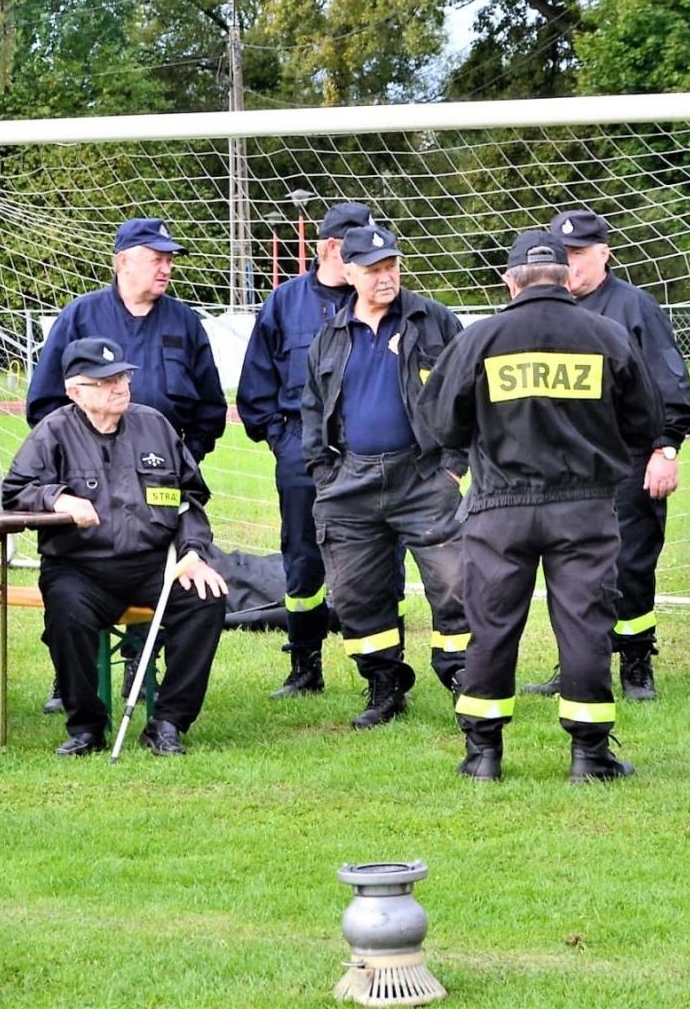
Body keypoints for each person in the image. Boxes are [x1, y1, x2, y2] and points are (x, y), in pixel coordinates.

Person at [419, 230, 661, 781]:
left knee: (492, 625)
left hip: (500, 507)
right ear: (566, 277)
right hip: (585, 506)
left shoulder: (481, 338)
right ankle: (589, 757)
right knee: (584, 626)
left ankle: (483, 754)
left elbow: (440, 421)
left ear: (511, 280)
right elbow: (644, 420)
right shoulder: (608, 335)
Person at [25, 217, 227, 712]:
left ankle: (146, 668)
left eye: (169, 259)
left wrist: (182, 459)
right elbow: (45, 401)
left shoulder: (184, 322)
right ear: (122, 263)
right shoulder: (80, 316)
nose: (166, 267)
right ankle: (70, 680)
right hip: (83, 479)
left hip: (159, 475)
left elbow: (209, 405)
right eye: (156, 258)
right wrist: (73, 459)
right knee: (73, 584)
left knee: (166, 570)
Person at [3, 336, 229, 757]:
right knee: (67, 612)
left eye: (122, 376)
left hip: (152, 566)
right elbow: (16, 491)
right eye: (105, 381)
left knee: (205, 599)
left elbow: (189, 499)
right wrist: (59, 498)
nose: (120, 386)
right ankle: (87, 726)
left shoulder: (154, 426)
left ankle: (168, 722)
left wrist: (193, 553)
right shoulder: (53, 431)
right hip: (80, 567)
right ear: (75, 391)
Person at [520, 210, 690, 701]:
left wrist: (666, 447)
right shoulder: (544, 311)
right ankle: (576, 666)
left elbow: (670, 383)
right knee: (570, 571)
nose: (570, 265)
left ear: (604, 253)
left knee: (630, 566)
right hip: (560, 469)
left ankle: (637, 664)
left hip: (625, 462)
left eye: (578, 255)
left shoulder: (634, 307)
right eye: (562, 256)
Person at [301, 223, 469, 729]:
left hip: (423, 477)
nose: (385, 277)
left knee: (457, 583)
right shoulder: (330, 336)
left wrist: (452, 468)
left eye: (391, 266)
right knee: (355, 593)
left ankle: (463, 675)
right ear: (347, 272)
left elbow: (468, 394)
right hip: (348, 482)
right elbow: (312, 409)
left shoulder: (434, 320)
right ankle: (383, 683)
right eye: (373, 269)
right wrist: (324, 472)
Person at [237, 201, 406, 699]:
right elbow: (256, 387)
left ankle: (386, 675)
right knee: (303, 563)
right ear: (334, 247)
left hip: (373, 458)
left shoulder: (393, 305)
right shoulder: (285, 302)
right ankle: (305, 666)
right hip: (304, 456)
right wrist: (286, 445)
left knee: (383, 562)